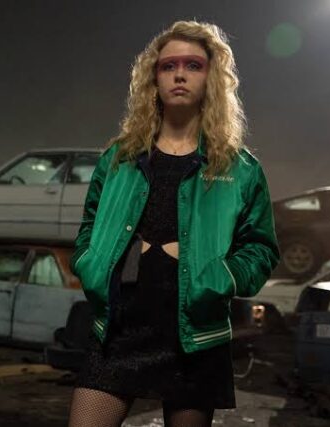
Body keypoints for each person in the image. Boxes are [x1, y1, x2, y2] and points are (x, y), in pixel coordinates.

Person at [68, 21, 279, 427]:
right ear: (154, 78)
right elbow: (88, 227)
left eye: (193, 65)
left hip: (195, 337)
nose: (179, 74)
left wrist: (219, 275)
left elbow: (261, 248)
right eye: (168, 66)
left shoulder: (240, 169)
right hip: (119, 329)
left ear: (211, 78)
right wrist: (89, 263)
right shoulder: (118, 159)